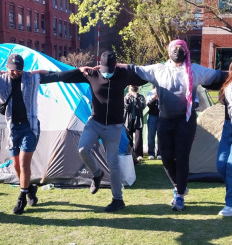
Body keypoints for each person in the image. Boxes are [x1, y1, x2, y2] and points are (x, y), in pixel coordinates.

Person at [33, 51, 147, 212]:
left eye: (111, 69)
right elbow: (61, 76)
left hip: (114, 127)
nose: (107, 72)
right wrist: (75, 70)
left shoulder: (123, 74)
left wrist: (126, 66)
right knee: (82, 149)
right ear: (99, 65)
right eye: (104, 69)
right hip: (94, 123)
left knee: (113, 163)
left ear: (115, 65)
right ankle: (97, 173)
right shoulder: (91, 74)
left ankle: (118, 199)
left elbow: (145, 77)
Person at [119, 39, 225, 211]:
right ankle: (179, 185)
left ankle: (180, 195)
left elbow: (217, 76)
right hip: (165, 119)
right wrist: (113, 66)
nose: (178, 51)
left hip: (186, 120)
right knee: (166, 158)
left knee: (182, 157)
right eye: (174, 48)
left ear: (186, 51)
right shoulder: (158, 70)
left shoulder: (195, 70)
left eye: (181, 48)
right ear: (169, 52)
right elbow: (133, 69)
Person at [0, 54, 73, 215]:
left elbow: (58, 76)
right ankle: (29, 188)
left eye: (19, 70)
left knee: (23, 163)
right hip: (13, 129)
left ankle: (21, 197)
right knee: (15, 166)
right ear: (7, 68)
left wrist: (79, 71)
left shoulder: (31, 78)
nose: (16, 73)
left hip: (30, 128)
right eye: (13, 70)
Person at [216, 62, 232, 216]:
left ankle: (229, 204)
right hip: (228, 127)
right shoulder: (228, 84)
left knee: (230, 166)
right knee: (220, 164)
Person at [124, 85, 146, 162]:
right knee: (129, 137)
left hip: (138, 120)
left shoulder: (141, 97)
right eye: (132, 86)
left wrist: (136, 98)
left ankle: (138, 154)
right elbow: (126, 108)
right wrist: (126, 100)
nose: (134, 87)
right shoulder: (127, 96)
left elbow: (142, 107)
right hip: (129, 120)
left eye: (135, 86)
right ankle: (130, 153)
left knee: (138, 137)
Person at [146, 86, 161, 160]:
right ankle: (151, 153)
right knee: (151, 135)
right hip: (152, 116)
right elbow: (148, 105)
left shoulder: (163, 92)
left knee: (160, 136)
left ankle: (160, 153)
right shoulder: (150, 93)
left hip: (161, 116)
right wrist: (154, 97)